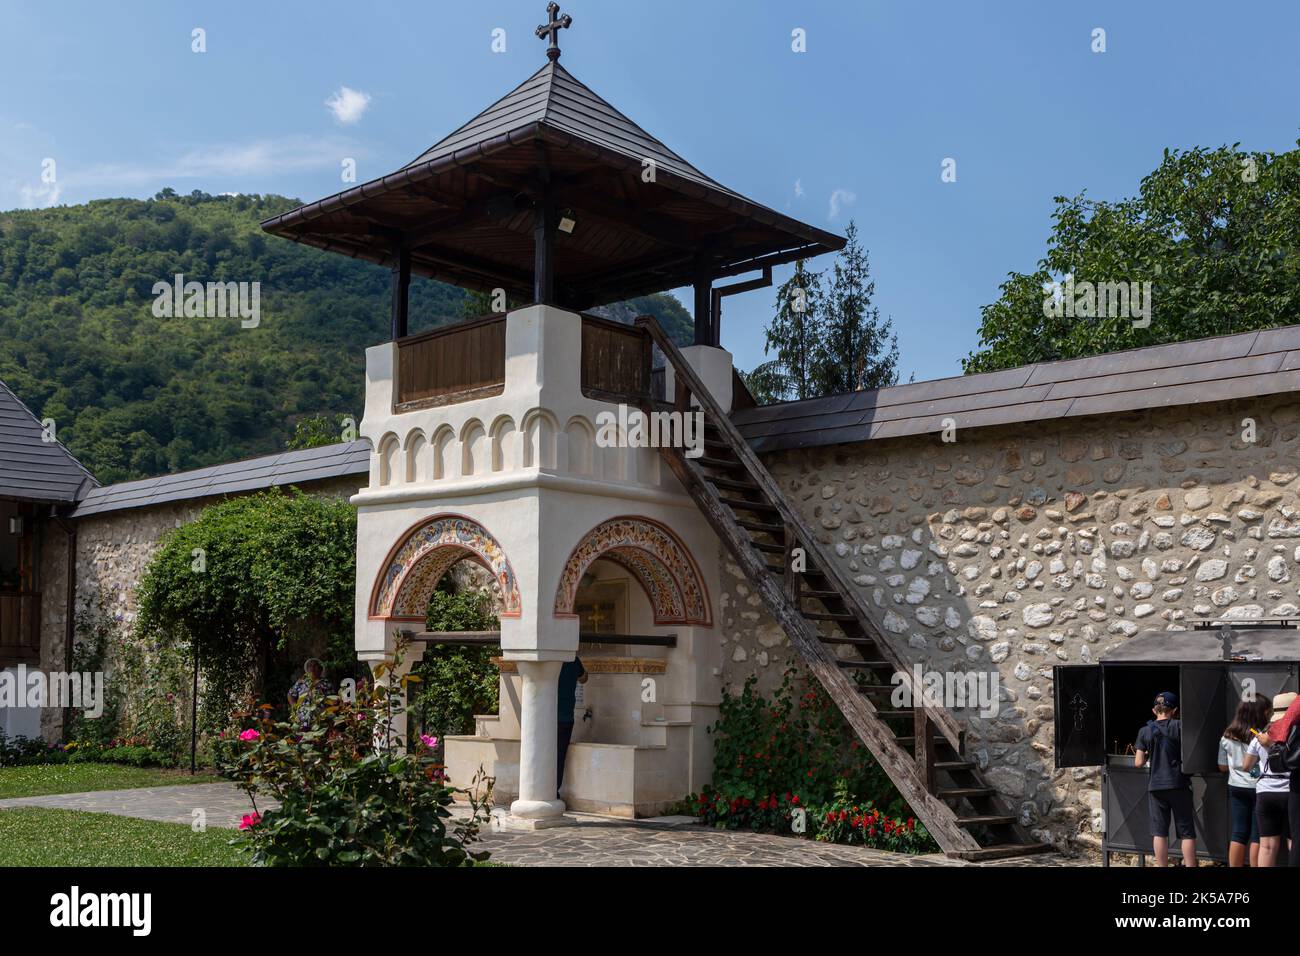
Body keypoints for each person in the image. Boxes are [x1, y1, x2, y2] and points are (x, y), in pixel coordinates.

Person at [1134, 690, 1197, 867]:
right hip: (1179, 784)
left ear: (1155, 710)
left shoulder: (1144, 731)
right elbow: (1191, 753)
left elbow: (1138, 762)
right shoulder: (1180, 726)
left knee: (1159, 832)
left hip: (1156, 787)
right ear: (1175, 710)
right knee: (1186, 832)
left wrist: (1148, 754)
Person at [1243, 692, 1296, 868]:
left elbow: (1246, 766)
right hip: (1291, 791)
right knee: (1294, 843)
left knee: (1266, 846)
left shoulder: (1261, 735)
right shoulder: (1294, 735)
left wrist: (1259, 768)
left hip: (1266, 791)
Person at [1219, 697, 1270, 866]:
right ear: (1260, 713)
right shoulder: (1263, 735)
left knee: (1238, 832)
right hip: (1259, 788)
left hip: (1236, 787)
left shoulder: (1227, 735)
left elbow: (1222, 766)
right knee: (1257, 834)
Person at [556, 656, 587, 797]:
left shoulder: (552, 657)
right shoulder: (573, 659)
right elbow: (584, 678)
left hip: (546, 718)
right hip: (565, 718)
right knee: (559, 756)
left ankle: (546, 790)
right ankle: (553, 790)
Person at [287, 658, 330, 729]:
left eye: (315, 666)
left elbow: (331, 699)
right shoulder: (301, 682)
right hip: (302, 716)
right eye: (310, 666)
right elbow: (290, 694)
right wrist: (294, 707)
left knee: (318, 738)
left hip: (319, 717)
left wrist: (325, 711)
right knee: (300, 737)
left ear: (320, 669)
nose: (312, 668)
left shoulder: (326, 683)